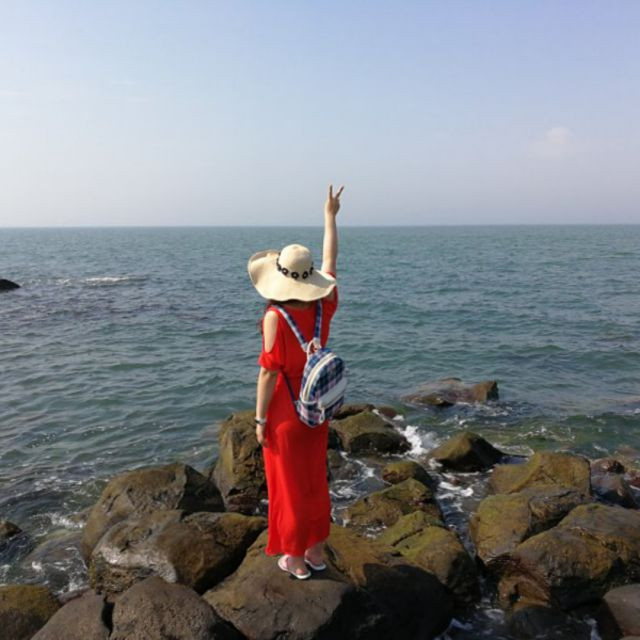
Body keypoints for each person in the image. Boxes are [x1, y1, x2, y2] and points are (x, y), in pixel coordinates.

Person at [247, 184, 344, 579]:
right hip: (316, 409)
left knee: (287, 488)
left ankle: (295, 559)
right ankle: (316, 552)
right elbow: (331, 259)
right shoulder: (324, 305)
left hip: (286, 414)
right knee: (314, 482)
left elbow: (268, 372)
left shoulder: (274, 317)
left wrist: (259, 420)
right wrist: (330, 216)